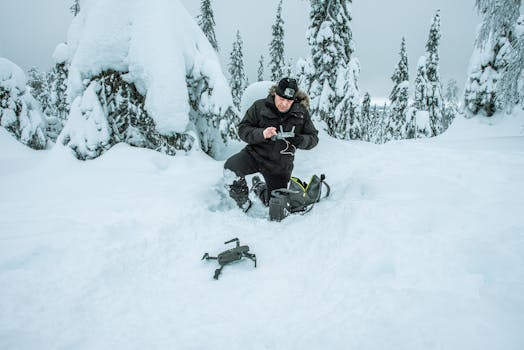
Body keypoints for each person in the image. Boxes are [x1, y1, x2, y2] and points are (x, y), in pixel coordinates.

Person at [224, 77, 319, 211]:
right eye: (281, 99)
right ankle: (243, 203)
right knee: (231, 168)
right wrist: (262, 133)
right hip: (255, 155)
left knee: (275, 204)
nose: (284, 104)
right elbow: (242, 129)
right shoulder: (260, 106)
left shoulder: (301, 113)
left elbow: (313, 138)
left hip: (280, 166)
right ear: (275, 94)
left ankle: (259, 188)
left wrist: (301, 140)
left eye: (289, 101)